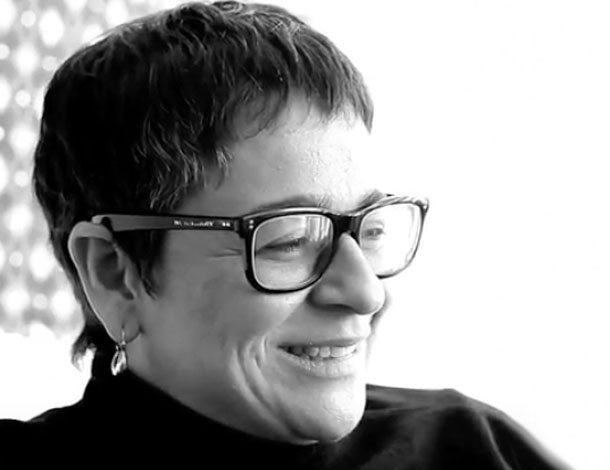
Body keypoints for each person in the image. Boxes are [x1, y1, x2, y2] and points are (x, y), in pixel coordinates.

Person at [0, 1, 569, 468]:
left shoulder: (472, 448)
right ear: (113, 271)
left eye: (369, 229)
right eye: (289, 239)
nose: (367, 293)